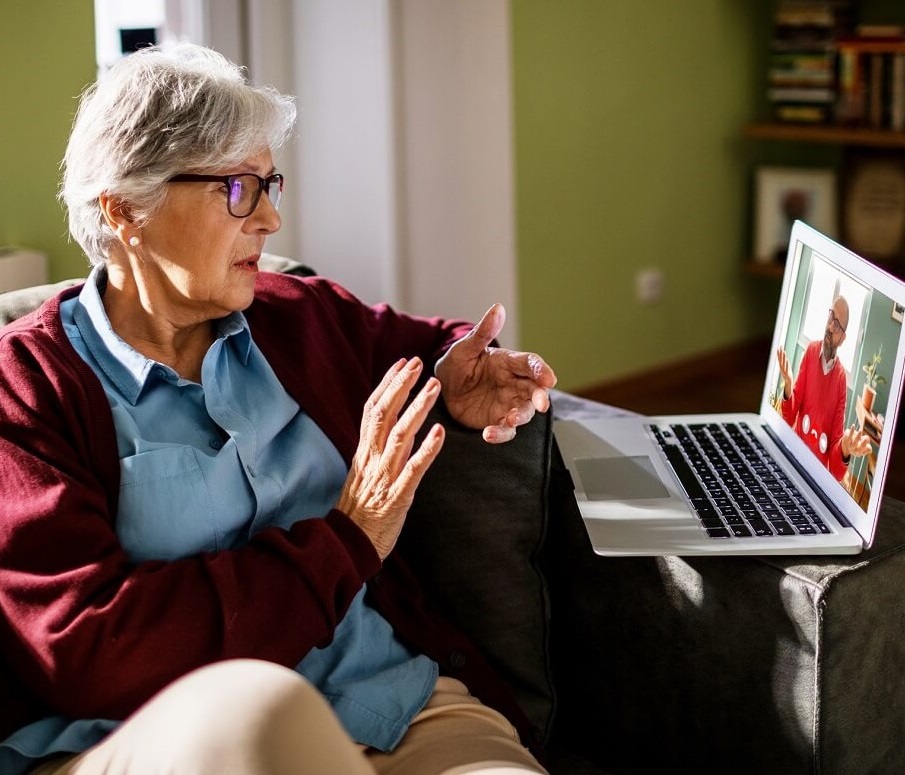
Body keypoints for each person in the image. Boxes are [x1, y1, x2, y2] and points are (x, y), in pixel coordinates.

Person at [0, 43, 557, 774]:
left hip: (385, 706)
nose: (268, 219)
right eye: (237, 189)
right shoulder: (28, 386)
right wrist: (348, 538)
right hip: (153, 740)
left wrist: (460, 376)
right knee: (261, 712)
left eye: (270, 185)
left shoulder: (297, 316)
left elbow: (427, 346)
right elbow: (88, 649)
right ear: (126, 209)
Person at [775, 294, 871, 481]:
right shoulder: (811, 351)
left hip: (815, 476)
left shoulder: (841, 379)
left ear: (843, 338)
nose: (829, 327)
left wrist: (844, 447)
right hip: (792, 456)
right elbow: (788, 416)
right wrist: (788, 385)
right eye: (830, 317)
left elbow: (835, 467)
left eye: (837, 325)